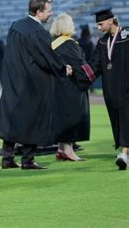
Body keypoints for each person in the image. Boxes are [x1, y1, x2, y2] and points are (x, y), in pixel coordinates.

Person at [0, 0, 69, 170]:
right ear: (39, 12)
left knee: (13, 118)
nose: (51, 14)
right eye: (48, 10)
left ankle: (7, 158)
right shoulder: (37, 31)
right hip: (33, 82)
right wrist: (63, 68)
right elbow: (45, 57)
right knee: (34, 119)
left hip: (13, 79)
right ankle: (28, 159)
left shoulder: (16, 25)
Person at [78, 8, 129, 170]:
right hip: (111, 90)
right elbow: (95, 66)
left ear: (111, 20)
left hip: (127, 88)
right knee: (118, 120)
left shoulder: (127, 36)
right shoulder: (102, 42)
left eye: (100, 24)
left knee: (126, 119)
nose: (98, 28)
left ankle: (124, 154)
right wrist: (77, 75)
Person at [50, 13, 90, 161]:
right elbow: (80, 65)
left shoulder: (51, 43)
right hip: (71, 86)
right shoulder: (69, 44)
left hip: (56, 85)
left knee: (62, 115)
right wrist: (88, 77)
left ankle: (61, 149)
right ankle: (68, 150)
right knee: (71, 115)